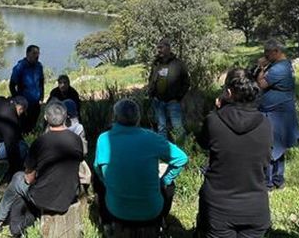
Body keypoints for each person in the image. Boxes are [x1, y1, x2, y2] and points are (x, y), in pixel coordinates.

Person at [196, 69, 272, 238]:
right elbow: (266, 160)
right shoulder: (265, 123)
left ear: (229, 93)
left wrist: (218, 111)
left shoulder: (213, 120)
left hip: (218, 206)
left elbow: (203, 142)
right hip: (255, 206)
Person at [93, 99, 188, 232]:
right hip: (150, 212)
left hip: (117, 210)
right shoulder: (152, 138)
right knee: (170, 184)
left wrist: (108, 183)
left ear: (115, 118)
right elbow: (181, 158)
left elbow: (98, 170)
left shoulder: (103, 139)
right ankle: (162, 222)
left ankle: (107, 224)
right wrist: (164, 180)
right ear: (138, 118)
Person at [0, 101, 85, 234]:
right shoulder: (76, 139)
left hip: (43, 199)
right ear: (66, 117)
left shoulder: (40, 142)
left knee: (17, 178)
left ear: (46, 118)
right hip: (68, 196)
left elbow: (29, 179)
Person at [254, 39, 299, 190]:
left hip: (277, 112)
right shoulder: (278, 65)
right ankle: (276, 179)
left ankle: (270, 181)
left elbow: (261, 84)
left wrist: (261, 67)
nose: (265, 55)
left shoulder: (279, 68)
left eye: (267, 52)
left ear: (276, 51)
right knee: (276, 145)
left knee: (271, 146)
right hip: (275, 110)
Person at [147, 38, 190, 141]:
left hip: (173, 101)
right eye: (158, 47)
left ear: (168, 48)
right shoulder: (156, 63)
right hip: (158, 101)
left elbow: (186, 82)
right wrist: (151, 93)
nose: (159, 50)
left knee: (178, 127)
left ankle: (183, 150)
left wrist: (178, 97)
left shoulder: (178, 64)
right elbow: (151, 79)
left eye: (161, 47)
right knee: (161, 128)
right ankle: (164, 151)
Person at [10, 45, 45, 134]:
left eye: (38, 53)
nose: (36, 56)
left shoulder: (39, 66)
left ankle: (31, 138)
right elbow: (12, 85)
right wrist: (17, 100)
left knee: (32, 125)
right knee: (23, 126)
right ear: (27, 54)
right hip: (24, 103)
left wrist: (41, 97)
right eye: (34, 53)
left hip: (36, 103)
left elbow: (41, 82)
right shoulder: (20, 67)